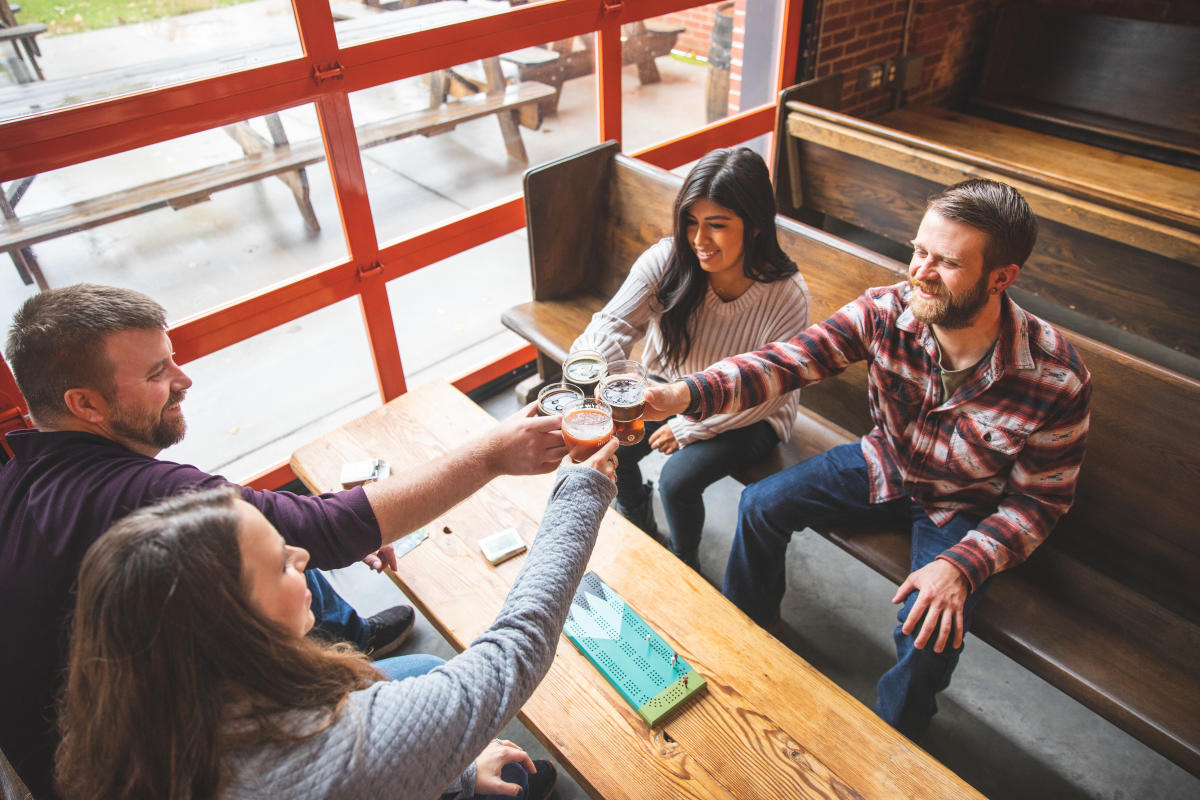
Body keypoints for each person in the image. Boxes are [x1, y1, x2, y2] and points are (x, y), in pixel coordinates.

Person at [0, 284, 568, 799]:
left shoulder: (21, 480)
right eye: (156, 373)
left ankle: (353, 636)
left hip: (111, 737)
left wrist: (312, 536)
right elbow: (506, 656)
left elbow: (300, 532)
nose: (185, 379)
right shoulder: (147, 492)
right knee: (425, 675)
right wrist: (496, 455)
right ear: (86, 404)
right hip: (157, 765)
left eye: (172, 359)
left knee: (293, 550)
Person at [643, 178, 1092, 739]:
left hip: (963, 507)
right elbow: (785, 361)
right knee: (760, 505)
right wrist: (681, 395)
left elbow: (1039, 501)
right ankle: (749, 636)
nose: (921, 272)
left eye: (946, 262)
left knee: (930, 634)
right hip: (886, 463)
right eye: (919, 250)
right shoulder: (886, 310)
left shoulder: (1055, 377)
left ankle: (892, 742)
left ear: (1001, 278)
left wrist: (959, 565)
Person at [55, 439, 620, 799]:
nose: (304, 558)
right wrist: (580, 494)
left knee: (423, 666)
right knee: (513, 771)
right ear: (233, 624)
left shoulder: (145, 715)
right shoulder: (340, 748)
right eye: (281, 563)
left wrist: (457, 776)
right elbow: (514, 650)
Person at [569, 147, 809, 569]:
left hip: (751, 412)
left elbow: (770, 393)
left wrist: (688, 428)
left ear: (754, 226)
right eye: (691, 222)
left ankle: (685, 564)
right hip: (670, 387)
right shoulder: (668, 259)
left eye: (717, 225)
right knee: (614, 449)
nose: (699, 240)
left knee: (678, 481)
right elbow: (612, 324)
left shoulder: (786, 294)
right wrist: (585, 371)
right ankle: (641, 529)